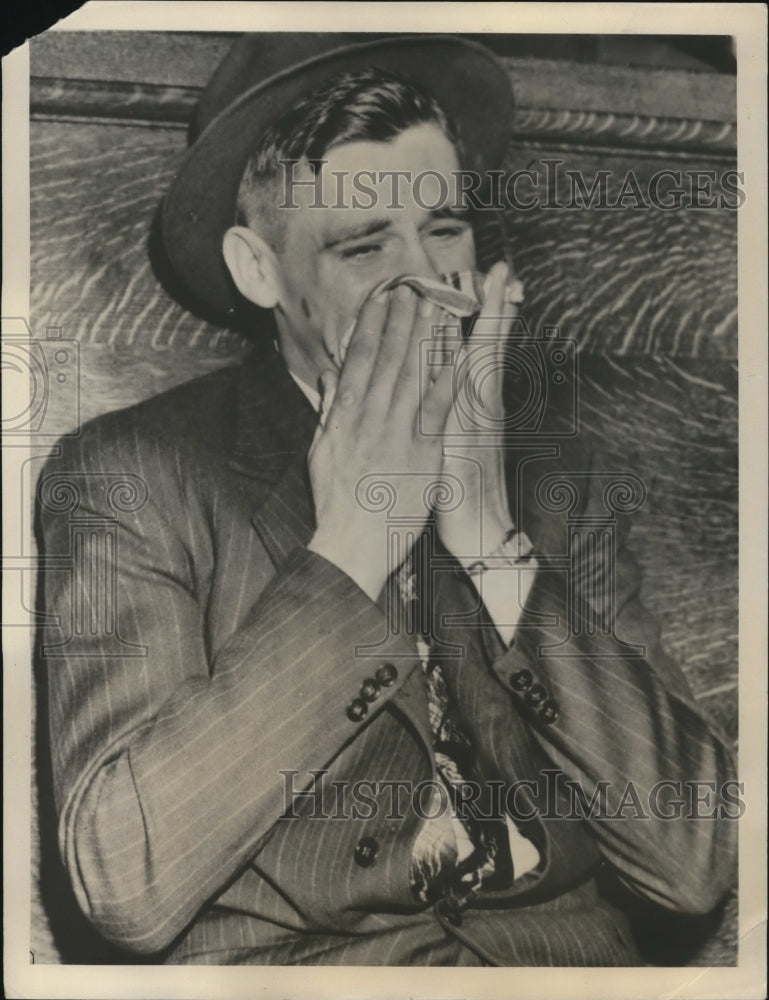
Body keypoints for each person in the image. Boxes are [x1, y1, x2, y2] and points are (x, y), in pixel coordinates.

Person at [39, 33, 737, 966]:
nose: (431, 281)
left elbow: (693, 859)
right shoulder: (131, 476)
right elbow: (126, 882)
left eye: (444, 229)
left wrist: (489, 536)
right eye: (365, 243)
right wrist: (353, 547)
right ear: (260, 270)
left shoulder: (557, 476)